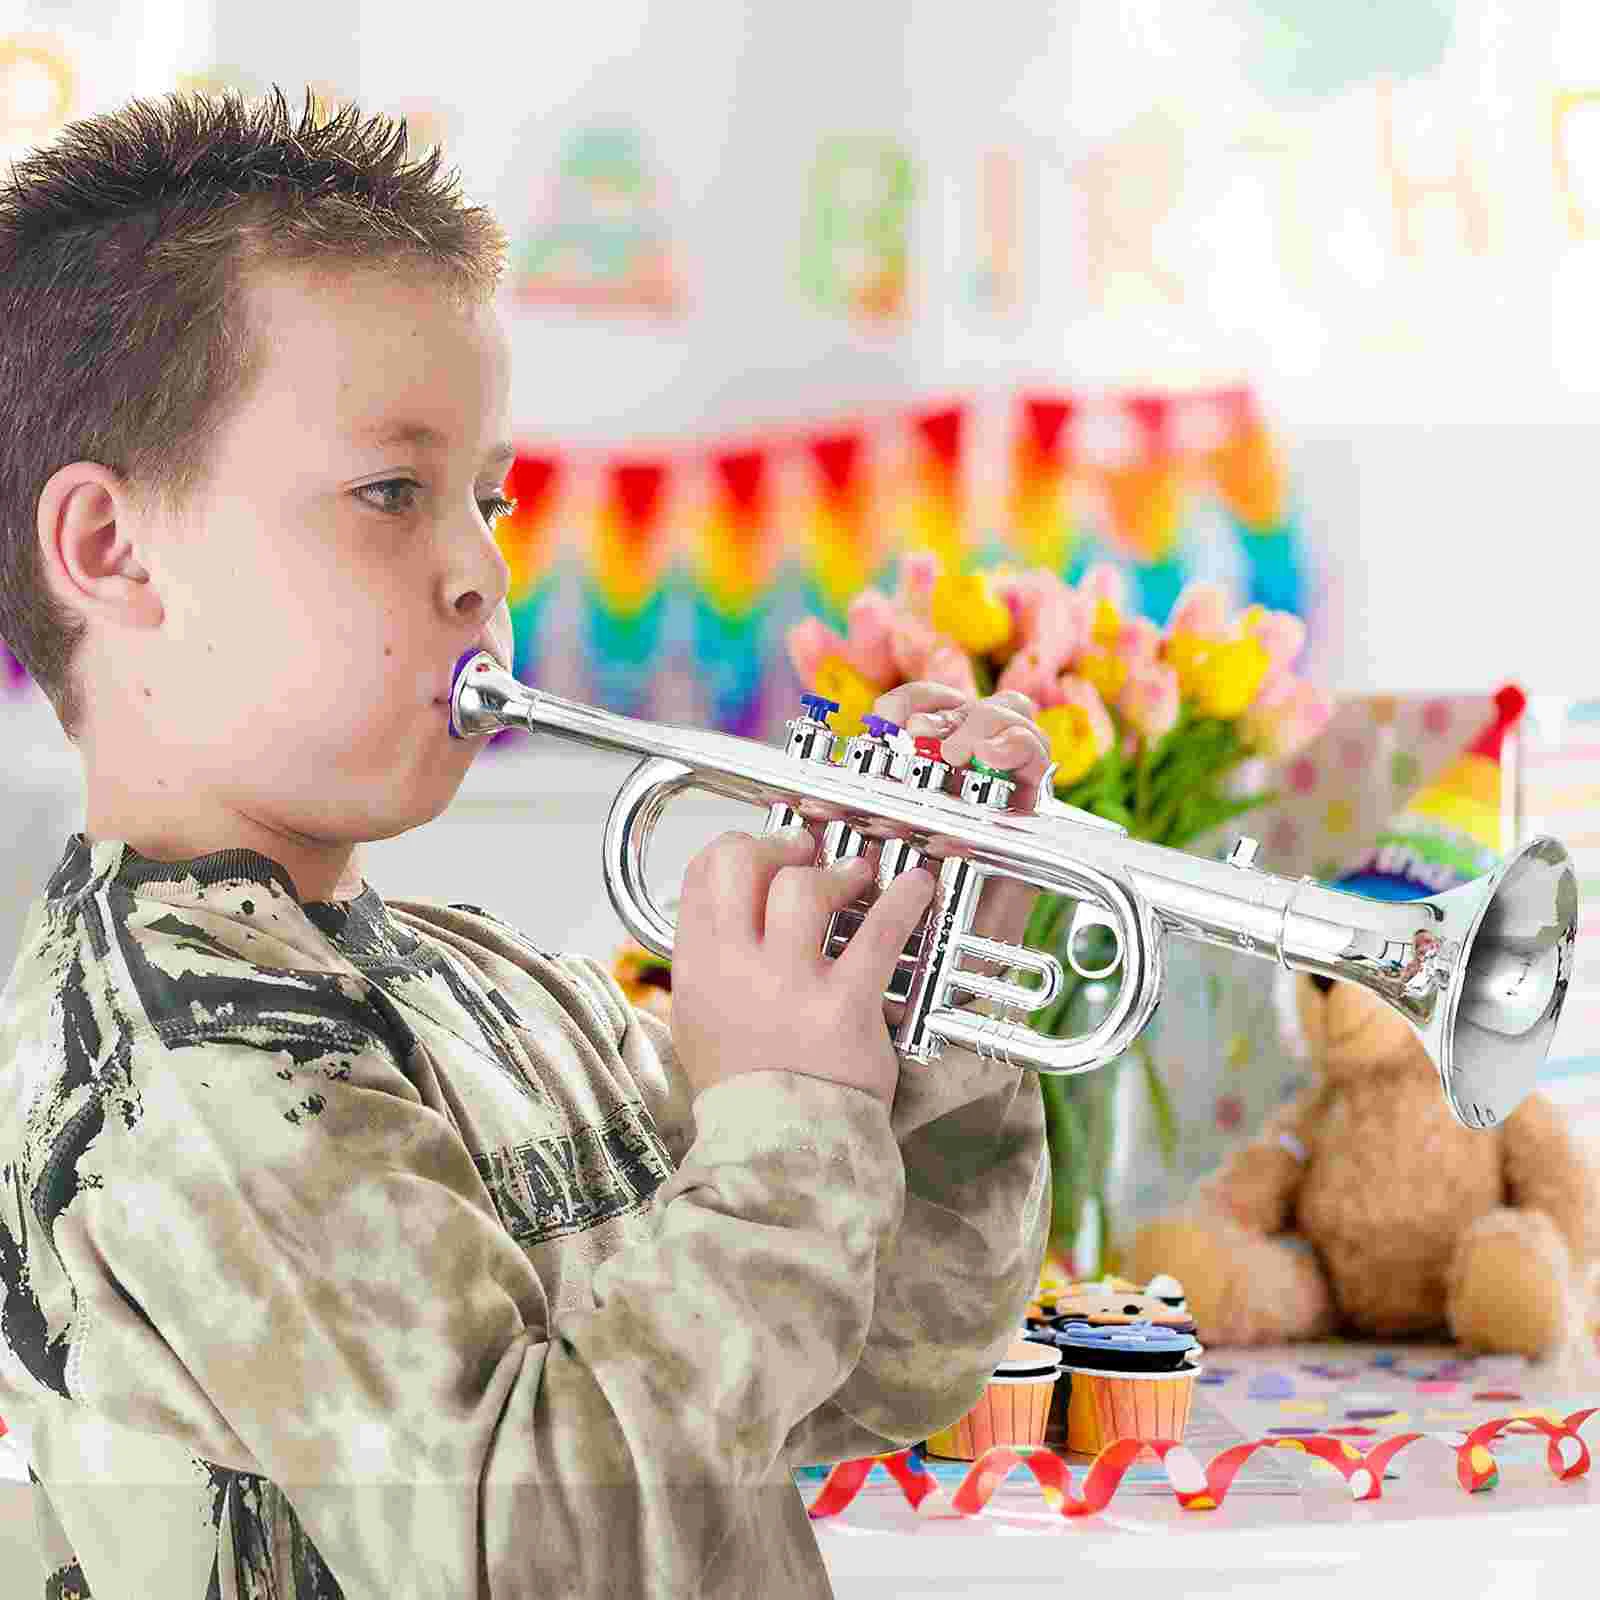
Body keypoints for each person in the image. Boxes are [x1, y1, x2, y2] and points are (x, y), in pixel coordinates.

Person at [0, 86, 1052, 1597]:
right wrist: (785, 1112)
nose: (480, 572)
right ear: (116, 553)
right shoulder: (187, 1068)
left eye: (486, 500)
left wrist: (908, 1021)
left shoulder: (497, 987)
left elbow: (882, 1367)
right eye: (389, 494)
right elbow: (522, 1553)